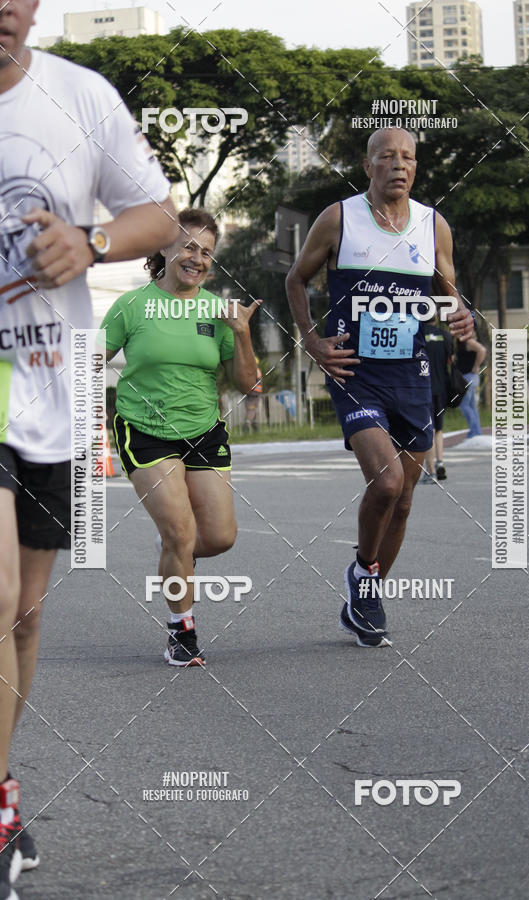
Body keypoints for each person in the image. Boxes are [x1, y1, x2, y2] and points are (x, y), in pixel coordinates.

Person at [0, 1, 177, 894]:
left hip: (54, 387)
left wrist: (92, 240)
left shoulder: (80, 96)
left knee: (24, 615)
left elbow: (162, 217)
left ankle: (1, 789)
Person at [286, 127, 473, 648]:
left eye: (408, 157)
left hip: (412, 375)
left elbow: (448, 292)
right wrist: (312, 341)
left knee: (405, 500)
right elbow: (296, 279)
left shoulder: (433, 225)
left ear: (416, 167)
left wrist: (461, 316)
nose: (399, 165)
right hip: (355, 373)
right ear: (367, 166)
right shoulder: (339, 218)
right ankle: (363, 572)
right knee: (387, 483)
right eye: (387, 156)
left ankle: (365, 593)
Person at [102, 208, 261, 667]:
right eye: (189, 246)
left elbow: (249, 383)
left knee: (220, 537)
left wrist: (242, 334)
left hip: (204, 431)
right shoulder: (132, 306)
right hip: (145, 430)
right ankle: (182, 629)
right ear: (165, 248)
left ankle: (174, 550)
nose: (197, 258)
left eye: (206, 252)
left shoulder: (218, 310)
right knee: (181, 530)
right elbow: (88, 360)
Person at [421, 315, 454, 483]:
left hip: (423, 388)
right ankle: (440, 462)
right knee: (439, 429)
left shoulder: (418, 334)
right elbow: (451, 360)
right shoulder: (445, 335)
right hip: (442, 388)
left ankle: (431, 472)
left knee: (429, 429)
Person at [456, 335, 487, 438]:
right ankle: (477, 431)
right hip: (469, 377)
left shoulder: (468, 341)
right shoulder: (463, 341)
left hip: (468, 377)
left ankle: (474, 431)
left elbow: (482, 350)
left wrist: (476, 366)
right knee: (471, 405)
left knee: (464, 405)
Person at [243, 357, 262, 432]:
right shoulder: (256, 371)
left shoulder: (251, 371)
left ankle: (253, 424)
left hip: (251, 392)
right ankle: (249, 423)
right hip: (255, 393)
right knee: (252, 408)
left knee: (251, 408)